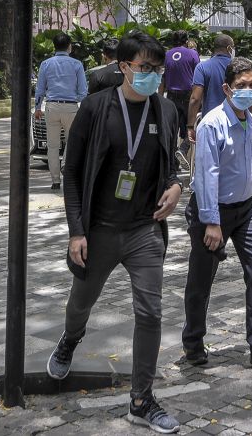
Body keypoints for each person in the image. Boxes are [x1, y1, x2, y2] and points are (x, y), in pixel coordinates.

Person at [45, 31, 183, 434]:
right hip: (100, 229)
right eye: (145, 68)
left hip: (144, 229)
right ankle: (70, 339)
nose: (153, 75)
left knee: (151, 312)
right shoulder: (95, 107)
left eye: (158, 69)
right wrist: (76, 232)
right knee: (80, 303)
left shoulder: (167, 110)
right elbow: (71, 173)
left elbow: (171, 166)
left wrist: (175, 187)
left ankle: (141, 400)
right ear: (123, 66)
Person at [183, 57, 252, 368]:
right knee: (201, 279)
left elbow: (251, 171)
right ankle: (193, 342)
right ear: (226, 89)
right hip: (213, 211)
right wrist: (211, 222)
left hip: (247, 210)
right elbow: (207, 175)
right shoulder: (212, 124)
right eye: (241, 86)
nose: (247, 91)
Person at [34, 33, 88, 190]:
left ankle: (55, 181)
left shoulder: (46, 64)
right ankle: (66, 165)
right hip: (71, 107)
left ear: (54, 46)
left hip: (51, 106)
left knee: (52, 146)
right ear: (69, 46)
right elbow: (83, 91)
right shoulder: (77, 64)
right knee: (72, 142)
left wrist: (38, 108)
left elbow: (40, 89)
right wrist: (76, 100)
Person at [187, 33, 235, 142]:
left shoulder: (202, 67)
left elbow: (195, 98)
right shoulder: (238, 66)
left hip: (210, 124)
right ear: (229, 48)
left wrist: (190, 126)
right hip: (235, 121)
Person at [161, 30, 200, 156]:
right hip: (189, 95)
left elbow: (163, 78)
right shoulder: (192, 54)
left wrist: (160, 97)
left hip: (171, 96)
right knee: (192, 126)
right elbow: (199, 76)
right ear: (187, 41)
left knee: (172, 129)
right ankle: (183, 149)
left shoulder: (167, 55)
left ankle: (173, 160)